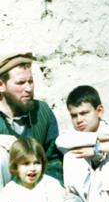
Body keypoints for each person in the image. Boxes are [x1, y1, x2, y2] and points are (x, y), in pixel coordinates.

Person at [0, 52, 63, 187]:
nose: (28, 88)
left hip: (39, 189)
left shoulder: (42, 111)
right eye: (21, 83)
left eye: (30, 81)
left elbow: (53, 160)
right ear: (1, 85)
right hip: (5, 192)